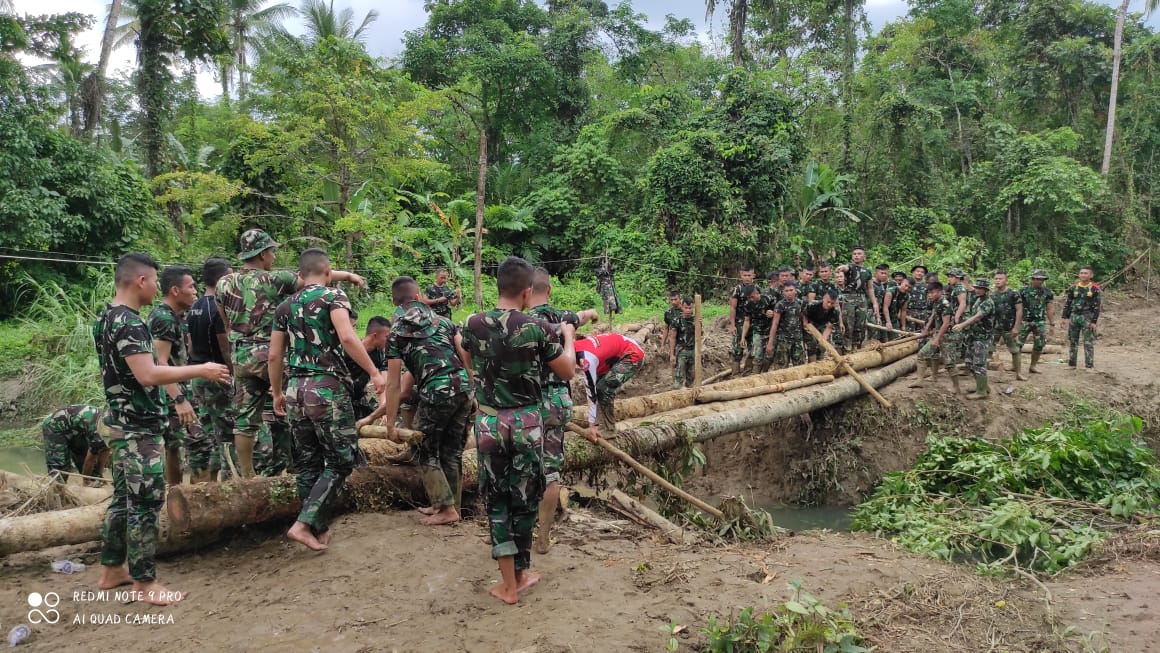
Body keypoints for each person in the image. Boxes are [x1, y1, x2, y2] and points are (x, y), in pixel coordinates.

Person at [94, 253, 230, 604]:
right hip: (138, 428)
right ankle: (145, 582)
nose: (156, 287)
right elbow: (148, 374)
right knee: (145, 503)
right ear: (140, 281)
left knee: (123, 499)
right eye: (154, 281)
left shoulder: (106, 316)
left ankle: (112, 569)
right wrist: (201, 370)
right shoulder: (129, 323)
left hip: (120, 422)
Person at [460, 256, 576, 605]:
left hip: (489, 422)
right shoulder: (537, 328)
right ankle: (522, 575)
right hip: (526, 422)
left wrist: (479, 381)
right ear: (527, 292)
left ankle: (509, 583)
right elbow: (567, 371)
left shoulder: (473, 323)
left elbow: (465, 353)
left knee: (496, 499)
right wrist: (569, 337)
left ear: (498, 286)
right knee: (525, 496)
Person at [217, 229, 365, 477]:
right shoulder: (275, 279)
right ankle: (311, 462)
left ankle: (247, 476)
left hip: (240, 356)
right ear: (262, 254)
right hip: (270, 354)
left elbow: (225, 323)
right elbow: (313, 278)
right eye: (272, 252)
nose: (274, 256)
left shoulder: (223, 283)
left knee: (244, 420)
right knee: (301, 400)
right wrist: (349, 276)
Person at [269, 249, 384, 552]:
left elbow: (274, 355)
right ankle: (304, 523)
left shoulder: (284, 306)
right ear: (329, 271)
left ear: (299, 274)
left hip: (295, 390)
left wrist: (277, 392)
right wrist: (374, 372)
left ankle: (317, 530)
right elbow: (347, 337)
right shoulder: (333, 297)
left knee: (308, 463)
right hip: (326, 389)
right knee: (341, 459)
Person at [361, 277, 472, 526]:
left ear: (394, 301)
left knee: (422, 449)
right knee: (452, 452)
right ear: (419, 295)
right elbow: (463, 352)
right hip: (463, 387)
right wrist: (471, 386)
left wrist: (391, 423)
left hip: (436, 391)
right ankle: (449, 506)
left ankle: (446, 509)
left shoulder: (396, 333)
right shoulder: (444, 321)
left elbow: (393, 384)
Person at [526, 268, 598, 553]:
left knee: (523, 465)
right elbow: (581, 316)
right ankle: (543, 537)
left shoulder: (520, 322)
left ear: (526, 291)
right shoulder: (562, 318)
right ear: (549, 289)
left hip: (527, 402)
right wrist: (593, 313)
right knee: (550, 470)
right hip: (556, 401)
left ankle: (520, 531)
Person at [147, 266, 215, 485]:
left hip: (176, 392)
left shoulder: (177, 316)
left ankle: (174, 494)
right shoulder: (164, 318)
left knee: (174, 446)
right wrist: (179, 399)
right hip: (171, 395)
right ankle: (199, 498)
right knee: (201, 446)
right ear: (175, 291)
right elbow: (159, 363)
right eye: (191, 286)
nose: (195, 291)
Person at [187, 258, 235, 480]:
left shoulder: (194, 307)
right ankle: (228, 482)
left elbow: (190, 344)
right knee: (228, 434)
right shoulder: (218, 306)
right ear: (222, 278)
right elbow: (225, 346)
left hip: (197, 374)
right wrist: (232, 373)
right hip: (217, 375)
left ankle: (207, 482)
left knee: (211, 433)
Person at [575, 332, 645, 438]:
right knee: (599, 385)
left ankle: (609, 429)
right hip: (616, 354)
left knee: (603, 388)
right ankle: (601, 425)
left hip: (632, 355)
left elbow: (590, 391)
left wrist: (591, 423)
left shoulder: (585, 359)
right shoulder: (574, 347)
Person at [951, 279, 996, 399]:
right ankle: (982, 386)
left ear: (986, 290)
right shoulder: (978, 300)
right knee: (970, 362)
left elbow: (977, 317)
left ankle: (981, 392)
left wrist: (962, 325)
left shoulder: (987, 302)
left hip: (982, 338)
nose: (977, 290)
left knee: (979, 364)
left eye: (980, 288)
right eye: (976, 287)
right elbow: (972, 315)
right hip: (973, 336)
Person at [41, 404, 108, 484]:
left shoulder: (115, 429)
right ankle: (56, 486)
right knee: (60, 469)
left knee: (92, 472)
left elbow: (105, 450)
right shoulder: (99, 432)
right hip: (54, 426)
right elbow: (90, 459)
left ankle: (94, 479)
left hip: (76, 429)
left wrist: (98, 475)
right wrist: (86, 481)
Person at [345, 316, 391, 420]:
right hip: (342, 396)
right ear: (375, 336)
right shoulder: (347, 350)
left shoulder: (380, 354)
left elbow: (383, 383)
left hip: (359, 396)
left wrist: (383, 407)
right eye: (386, 337)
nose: (389, 340)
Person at [910, 282, 954, 389]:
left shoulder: (945, 304)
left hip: (945, 336)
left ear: (940, 292)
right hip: (937, 333)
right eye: (928, 293)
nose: (930, 295)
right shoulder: (936, 301)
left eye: (932, 292)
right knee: (933, 355)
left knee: (948, 362)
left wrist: (937, 338)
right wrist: (927, 328)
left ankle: (956, 387)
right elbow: (933, 315)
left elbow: (946, 323)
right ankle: (931, 377)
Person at [1016, 270, 1056, 374]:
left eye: (1042, 279)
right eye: (1037, 279)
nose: (1040, 281)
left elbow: (1049, 308)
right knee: (1017, 345)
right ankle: (1015, 365)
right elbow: (1018, 307)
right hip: (1025, 321)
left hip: (1040, 322)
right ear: (1032, 279)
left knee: (1039, 345)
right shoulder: (1023, 291)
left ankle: (1033, 366)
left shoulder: (1047, 292)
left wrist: (1052, 324)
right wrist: (1015, 323)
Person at [1062, 266, 1101, 371]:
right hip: (1074, 316)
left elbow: (1097, 306)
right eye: (1081, 273)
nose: (1083, 275)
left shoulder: (1094, 289)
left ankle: (1089, 366)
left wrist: (1094, 321)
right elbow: (1068, 302)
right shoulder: (1073, 287)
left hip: (1087, 317)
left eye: (1085, 273)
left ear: (1091, 275)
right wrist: (1064, 317)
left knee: (1088, 342)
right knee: (1072, 341)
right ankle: (1072, 364)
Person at [837, 247, 876, 351]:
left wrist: (874, 303)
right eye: (854, 254)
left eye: (859, 254)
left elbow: (870, 288)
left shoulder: (867, 271)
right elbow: (845, 268)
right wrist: (842, 267)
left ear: (864, 257)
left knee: (860, 325)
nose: (856, 256)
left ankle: (856, 348)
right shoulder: (850, 267)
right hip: (849, 297)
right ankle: (847, 349)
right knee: (848, 324)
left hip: (862, 298)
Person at [990, 271, 1025, 381]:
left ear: (1006, 280)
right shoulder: (992, 295)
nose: (997, 281)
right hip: (995, 328)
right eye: (996, 279)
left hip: (1009, 327)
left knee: (1015, 350)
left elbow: (1019, 310)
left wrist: (1016, 327)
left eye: (1000, 279)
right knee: (989, 349)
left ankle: (1018, 373)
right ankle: (985, 373)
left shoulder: (1013, 294)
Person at [768, 282, 806, 369]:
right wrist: (770, 343)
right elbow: (775, 324)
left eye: (791, 290)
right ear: (783, 292)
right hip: (783, 340)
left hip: (797, 339)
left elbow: (803, 318)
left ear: (795, 291)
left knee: (800, 366)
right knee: (781, 366)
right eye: (786, 291)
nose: (789, 293)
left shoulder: (800, 303)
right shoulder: (780, 305)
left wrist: (805, 325)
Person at [728, 265, 757, 376]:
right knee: (737, 350)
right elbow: (733, 307)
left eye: (749, 275)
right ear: (741, 276)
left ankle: (747, 372)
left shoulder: (756, 289)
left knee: (753, 348)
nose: (747, 278)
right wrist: (732, 325)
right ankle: (735, 374)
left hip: (753, 324)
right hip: (739, 324)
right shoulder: (737, 289)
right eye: (745, 275)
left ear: (753, 275)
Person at [740, 284, 774, 374]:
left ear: (757, 293)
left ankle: (764, 372)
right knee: (757, 355)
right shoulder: (747, 304)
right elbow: (747, 321)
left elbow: (778, 312)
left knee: (770, 355)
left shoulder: (768, 299)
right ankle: (755, 374)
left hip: (770, 330)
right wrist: (743, 337)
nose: (751, 299)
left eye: (752, 297)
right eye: (749, 297)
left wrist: (772, 313)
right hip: (757, 331)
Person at [803, 291, 840, 362]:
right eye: (828, 302)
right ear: (824, 298)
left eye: (832, 303)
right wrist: (805, 324)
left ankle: (820, 363)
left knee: (822, 346)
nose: (829, 305)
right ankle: (812, 365)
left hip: (823, 325)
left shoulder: (835, 311)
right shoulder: (813, 305)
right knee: (812, 345)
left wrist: (823, 339)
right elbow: (804, 314)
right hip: (811, 324)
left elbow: (829, 327)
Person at [669, 297, 696, 389]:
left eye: (690, 308)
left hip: (693, 351)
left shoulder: (695, 320)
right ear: (682, 307)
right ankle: (678, 393)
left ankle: (690, 393)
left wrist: (698, 325)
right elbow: (672, 338)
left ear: (693, 308)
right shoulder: (677, 321)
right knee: (679, 378)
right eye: (686, 308)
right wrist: (672, 354)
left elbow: (700, 334)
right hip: (681, 351)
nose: (688, 310)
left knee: (691, 377)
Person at [905, 267, 931, 332]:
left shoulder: (927, 286)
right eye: (918, 271)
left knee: (922, 332)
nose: (919, 273)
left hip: (923, 312)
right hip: (909, 312)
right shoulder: (906, 284)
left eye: (922, 272)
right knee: (908, 332)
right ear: (913, 272)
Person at [871, 264, 895, 329]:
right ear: (875, 273)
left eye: (885, 273)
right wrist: (878, 317)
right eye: (882, 273)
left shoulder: (882, 286)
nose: (884, 275)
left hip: (878, 313)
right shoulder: (871, 284)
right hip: (871, 313)